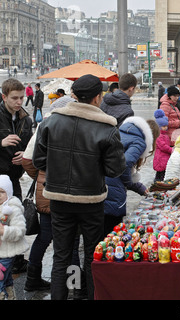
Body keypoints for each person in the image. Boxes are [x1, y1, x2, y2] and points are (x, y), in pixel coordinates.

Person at [32, 74, 126, 300]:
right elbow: (115, 170)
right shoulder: (107, 127)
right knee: (92, 255)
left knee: (61, 255)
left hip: (59, 198)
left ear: (74, 95)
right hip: (91, 200)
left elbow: (38, 161)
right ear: (97, 97)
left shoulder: (50, 122)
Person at [21, 96, 76, 293]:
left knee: (44, 237)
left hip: (45, 190)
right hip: (66, 192)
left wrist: (41, 175)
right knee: (70, 239)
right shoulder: (69, 126)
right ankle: (73, 285)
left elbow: (28, 160)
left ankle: (32, 279)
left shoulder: (44, 126)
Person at [103, 116, 159, 236]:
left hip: (102, 187)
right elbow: (125, 165)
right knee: (110, 236)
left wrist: (140, 188)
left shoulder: (120, 132)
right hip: (113, 194)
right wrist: (129, 183)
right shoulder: (139, 141)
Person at [0, 78, 33, 275]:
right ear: (4, 97)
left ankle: (18, 259)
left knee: (16, 214)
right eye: (14, 98)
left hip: (14, 176)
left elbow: (30, 144)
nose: (19, 102)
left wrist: (25, 155)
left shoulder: (26, 119)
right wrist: (1, 142)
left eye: (22, 97)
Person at [0, 175, 29, 300]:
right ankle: (11, 296)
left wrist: (4, 231)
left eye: (1, 192)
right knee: (6, 279)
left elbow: (20, 231)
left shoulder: (13, 209)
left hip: (7, 252)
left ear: (9, 192)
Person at [153, 109, 173, 182]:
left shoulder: (164, 135)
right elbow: (163, 146)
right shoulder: (159, 136)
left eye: (166, 126)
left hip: (164, 157)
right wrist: (171, 150)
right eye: (163, 126)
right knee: (161, 173)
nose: (165, 128)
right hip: (161, 157)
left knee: (161, 173)